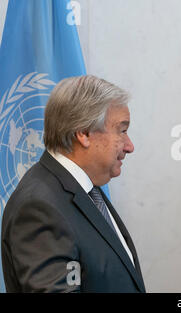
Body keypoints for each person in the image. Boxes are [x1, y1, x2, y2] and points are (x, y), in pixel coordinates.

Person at [1, 75, 145, 292]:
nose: (129, 146)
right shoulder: (40, 209)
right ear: (84, 133)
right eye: (122, 131)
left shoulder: (85, 189)